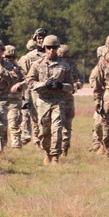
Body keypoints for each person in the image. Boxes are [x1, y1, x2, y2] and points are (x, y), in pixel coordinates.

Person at [26, 35, 74, 164]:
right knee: (44, 131)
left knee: (57, 128)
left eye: (54, 47)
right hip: (43, 101)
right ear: (44, 48)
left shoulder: (65, 66)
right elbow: (30, 82)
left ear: (58, 48)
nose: (51, 50)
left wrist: (61, 86)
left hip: (59, 100)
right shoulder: (36, 64)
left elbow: (71, 86)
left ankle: (55, 156)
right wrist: (43, 84)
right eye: (48, 48)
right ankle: (47, 152)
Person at [16, 28, 49, 147]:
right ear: (35, 39)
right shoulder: (29, 57)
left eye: (43, 37)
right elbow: (22, 74)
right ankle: (37, 140)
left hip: (49, 90)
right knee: (35, 117)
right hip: (33, 91)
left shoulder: (52, 54)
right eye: (39, 37)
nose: (41, 39)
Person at [56, 44, 82, 156]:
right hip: (55, 99)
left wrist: (75, 86)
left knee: (67, 125)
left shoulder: (71, 66)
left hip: (68, 99)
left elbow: (80, 80)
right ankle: (54, 148)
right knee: (56, 125)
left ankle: (65, 148)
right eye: (61, 57)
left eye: (65, 57)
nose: (63, 59)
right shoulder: (53, 65)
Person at [3, 44, 25, 150]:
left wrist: (19, 82)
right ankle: (1, 147)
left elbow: (28, 82)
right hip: (0, 100)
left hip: (14, 100)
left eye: (12, 57)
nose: (10, 59)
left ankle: (16, 147)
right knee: (1, 126)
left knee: (14, 124)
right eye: (7, 57)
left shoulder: (19, 70)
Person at [86, 45, 106, 153]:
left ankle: (107, 146)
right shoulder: (97, 68)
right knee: (98, 124)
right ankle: (97, 144)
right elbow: (92, 81)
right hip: (101, 99)